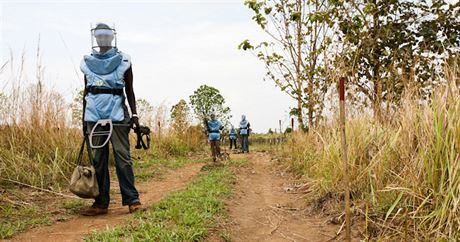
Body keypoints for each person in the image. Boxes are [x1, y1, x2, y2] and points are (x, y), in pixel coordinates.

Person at [80, 23, 142, 216]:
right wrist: (84, 121)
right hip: (93, 115)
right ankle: (101, 203)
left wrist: (134, 116)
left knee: (123, 157)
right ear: (95, 38)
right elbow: (87, 92)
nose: (103, 38)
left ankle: (132, 200)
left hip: (117, 114)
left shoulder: (123, 61)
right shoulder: (88, 62)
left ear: (112, 37)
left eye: (106, 35)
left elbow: (129, 90)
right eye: (100, 35)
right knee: (98, 160)